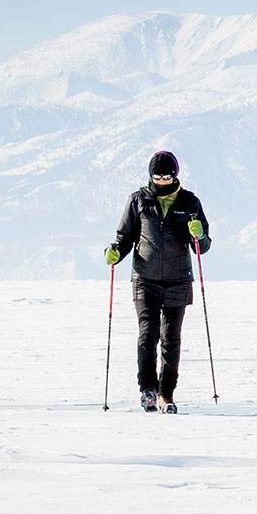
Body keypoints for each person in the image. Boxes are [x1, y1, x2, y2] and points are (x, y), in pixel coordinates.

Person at [104, 150, 210, 413]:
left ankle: (166, 393)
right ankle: (148, 390)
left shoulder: (189, 202)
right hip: (145, 279)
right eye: (157, 176)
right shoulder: (138, 200)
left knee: (171, 339)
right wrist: (115, 251)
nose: (162, 181)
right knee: (148, 335)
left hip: (178, 280)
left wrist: (199, 235)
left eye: (166, 176)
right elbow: (125, 237)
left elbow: (202, 248)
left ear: (175, 176)